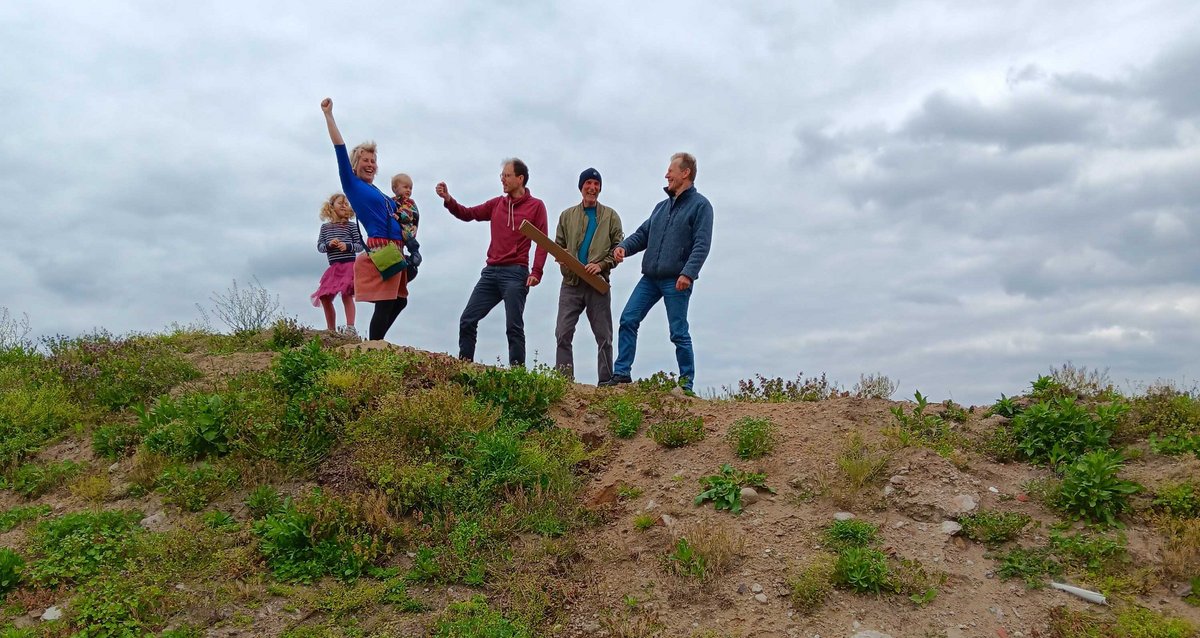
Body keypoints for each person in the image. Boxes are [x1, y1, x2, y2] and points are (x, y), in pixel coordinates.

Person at [601, 153, 713, 393]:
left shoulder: (701, 206)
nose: (666, 175)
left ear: (686, 173)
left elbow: (702, 244)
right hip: (650, 278)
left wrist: (688, 273)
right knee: (628, 318)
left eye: (671, 170)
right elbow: (643, 234)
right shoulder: (661, 208)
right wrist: (622, 247)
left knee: (678, 332)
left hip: (677, 279)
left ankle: (686, 384)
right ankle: (622, 374)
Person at [435, 158, 548, 367]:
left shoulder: (536, 206)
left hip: (516, 273)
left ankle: (517, 375)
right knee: (467, 319)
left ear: (520, 178)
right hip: (491, 272)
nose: (502, 180)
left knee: (513, 326)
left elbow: (542, 243)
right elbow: (468, 214)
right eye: (501, 176)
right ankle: (464, 369)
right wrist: (448, 199)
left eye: (506, 175)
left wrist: (536, 272)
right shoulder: (497, 204)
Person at [320, 97, 410, 342]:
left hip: (397, 249)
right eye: (365, 160)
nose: (370, 164)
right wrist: (329, 116)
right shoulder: (353, 185)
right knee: (387, 301)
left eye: (373, 161)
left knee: (400, 301)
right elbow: (339, 147)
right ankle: (374, 345)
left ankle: (375, 343)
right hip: (381, 247)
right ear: (355, 164)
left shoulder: (379, 192)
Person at [553, 168, 623, 384]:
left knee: (605, 337)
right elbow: (558, 245)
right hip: (571, 283)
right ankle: (564, 384)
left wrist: (601, 265)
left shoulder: (611, 216)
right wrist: (562, 258)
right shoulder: (566, 216)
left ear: (600, 188)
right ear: (581, 187)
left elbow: (619, 249)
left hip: (598, 284)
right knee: (562, 333)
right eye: (588, 183)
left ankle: (605, 383)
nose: (592, 188)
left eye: (596, 184)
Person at [310, 193, 365, 335]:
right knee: (324, 296)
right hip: (334, 268)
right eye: (340, 203)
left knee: (346, 293)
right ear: (331, 206)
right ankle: (331, 330)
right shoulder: (325, 228)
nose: (344, 205)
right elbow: (320, 247)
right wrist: (329, 245)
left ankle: (350, 327)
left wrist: (347, 246)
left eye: (346, 204)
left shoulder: (351, 226)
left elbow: (360, 245)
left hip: (349, 265)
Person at [389, 173, 423, 281]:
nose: (408, 190)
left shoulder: (409, 202)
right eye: (405, 187)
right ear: (395, 188)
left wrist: (398, 216)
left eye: (410, 188)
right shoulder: (392, 200)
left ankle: (415, 252)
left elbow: (409, 213)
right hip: (398, 230)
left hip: (408, 226)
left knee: (409, 237)